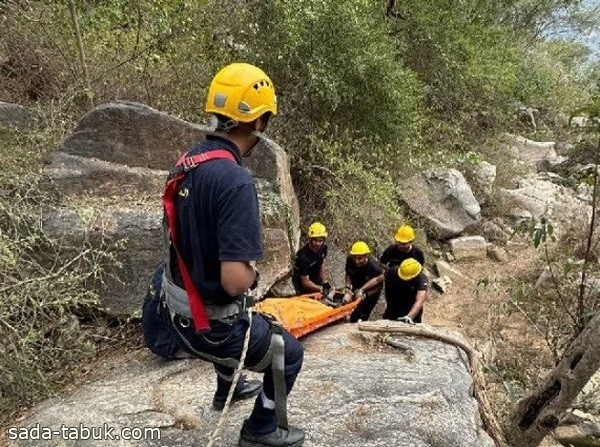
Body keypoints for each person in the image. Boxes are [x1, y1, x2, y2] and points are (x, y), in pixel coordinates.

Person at [151, 62, 305, 447]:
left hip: (176, 312)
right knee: (289, 354)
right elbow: (234, 281)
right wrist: (254, 273)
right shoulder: (235, 181)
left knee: (236, 315)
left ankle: (228, 390)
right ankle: (261, 429)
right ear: (260, 121)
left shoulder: (188, 163)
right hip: (210, 329)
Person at [343, 241, 384, 322]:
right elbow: (348, 274)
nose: (357, 261)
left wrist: (364, 292)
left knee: (361, 314)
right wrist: (348, 288)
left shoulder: (374, 268)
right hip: (356, 286)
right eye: (355, 258)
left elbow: (379, 285)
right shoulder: (350, 260)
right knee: (350, 308)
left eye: (360, 258)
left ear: (366, 256)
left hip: (371, 292)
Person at [382, 258, 429, 323]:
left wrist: (409, 317)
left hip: (410, 310)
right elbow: (377, 280)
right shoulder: (393, 271)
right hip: (392, 308)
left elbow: (419, 301)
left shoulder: (421, 280)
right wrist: (363, 289)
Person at [292, 222, 330, 295]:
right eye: (315, 240)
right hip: (303, 287)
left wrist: (325, 282)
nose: (318, 244)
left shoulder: (323, 248)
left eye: (320, 241)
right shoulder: (303, 256)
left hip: (316, 280)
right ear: (310, 239)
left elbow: (321, 263)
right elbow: (305, 282)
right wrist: (321, 289)